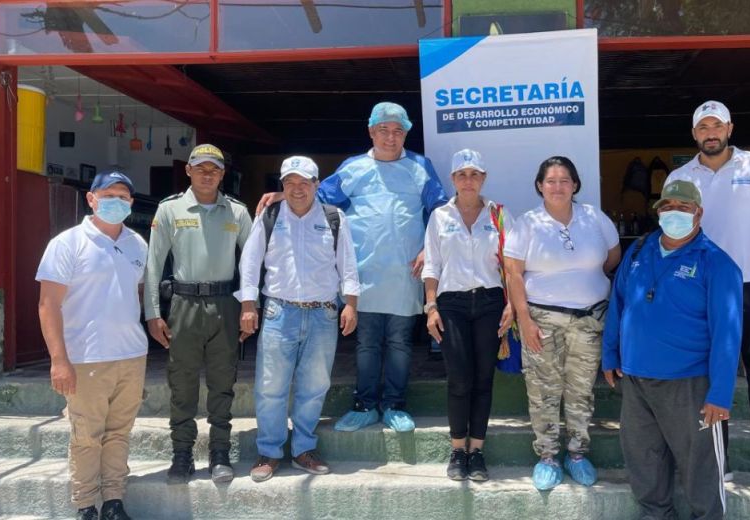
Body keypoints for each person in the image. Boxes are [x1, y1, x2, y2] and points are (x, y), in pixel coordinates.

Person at [257, 102, 448, 433]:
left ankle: (394, 404)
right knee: (367, 343)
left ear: (406, 133)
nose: (390, 137)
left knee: (401, 343)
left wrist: (428, 249)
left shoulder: (420, 167)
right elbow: (316, 195)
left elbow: (440, 210)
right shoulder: (354, 167)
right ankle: (364, 404)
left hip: (405, 274)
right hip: (364, 274)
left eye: (398, 131)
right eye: (383, 131)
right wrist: (280, 194)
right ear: (371, 131)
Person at [666, 101, 750, 507]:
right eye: (703, 126)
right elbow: (673, 235)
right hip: (700, 290)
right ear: (694, 134)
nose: (711, 132)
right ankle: (716, 469)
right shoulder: (679, 176)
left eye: (717, 125)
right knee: (709, 381)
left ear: (729, 128)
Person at [602, 180, 743, 520]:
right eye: (667, 207)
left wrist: (721, 393)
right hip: (636, 378)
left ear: (699, 213)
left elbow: (728, 331)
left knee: (700, 465)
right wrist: (610, 354)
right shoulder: (638, 251)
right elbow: (618, 304)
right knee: (642, 457)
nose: (674, 213)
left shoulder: (717, 263)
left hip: (689, 382)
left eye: (683, 207)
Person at [237, 156, 360, 482]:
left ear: (317, 185)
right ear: (282, 185)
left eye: (304, 182)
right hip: (280, 312)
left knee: (315, 385)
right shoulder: (270, 215)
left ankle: (303, 449)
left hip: (323, 313)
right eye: (289, 182)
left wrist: (351, 304)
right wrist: (248, 305)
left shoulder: (334, 218)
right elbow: (250, 263)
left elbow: (347, 263)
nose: (297, 188)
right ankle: (270, 451)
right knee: (271, 386)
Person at [503, 156, 621, 490]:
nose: (558, 186)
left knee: (581, 390)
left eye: (565, 180)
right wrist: (524, 320)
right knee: (543, 391)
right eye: (550, 180)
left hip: (588, 320)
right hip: (541, 320)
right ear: (540, 185)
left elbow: (612, 258)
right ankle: (548, 457)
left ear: (575, 184)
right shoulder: (527, 224)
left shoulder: (594, 218)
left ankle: (578, 453)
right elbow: (513, 272)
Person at [36, 171, 148, 520]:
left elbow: (137, 295)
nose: (116, 201)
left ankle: (114, 501)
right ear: (91, 198)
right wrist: (59, 360)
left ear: (131, 203)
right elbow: (48, 304)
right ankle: (86, 505)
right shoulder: (67, 243)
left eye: (123, 196)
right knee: (86, 435)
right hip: (86, 358)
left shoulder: (137, 245)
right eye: (108, 194)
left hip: (131, 355)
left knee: (119, 433)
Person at [144, 144, 253, 484]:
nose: (208, 174)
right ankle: (182, 455)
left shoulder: (236, 212)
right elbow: (153, 264)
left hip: (225, 304)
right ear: (188, 171)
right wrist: (152, 313)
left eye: (215, 169)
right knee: (183, 384)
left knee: (223, 383)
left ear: (223, 174)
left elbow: (253, 263)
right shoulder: (170, 210)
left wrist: (251, 307)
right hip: (184, 305)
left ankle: (220, 453)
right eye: (201, 167)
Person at [422, 149, 513, 481]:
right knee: (460, 379)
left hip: (490, 302)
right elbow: (431, 265)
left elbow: (512, 266)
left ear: (484, 178)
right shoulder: (440, 217)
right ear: (453, 180)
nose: (468, 180)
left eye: (475, 174)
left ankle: (477, 451)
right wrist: (431, 306)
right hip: (452, 305)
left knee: (483, 380)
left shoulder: (500, 215)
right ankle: (458, 449)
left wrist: (512, 305)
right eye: (462, 174)